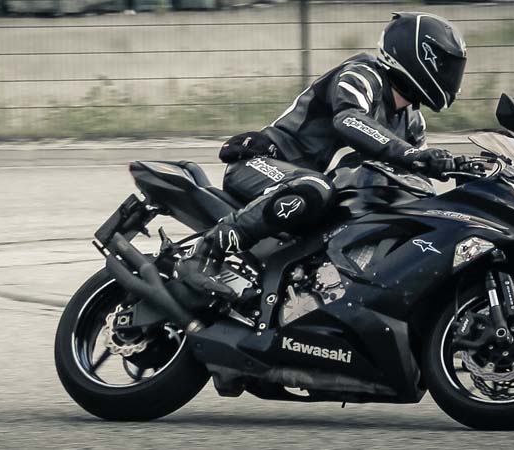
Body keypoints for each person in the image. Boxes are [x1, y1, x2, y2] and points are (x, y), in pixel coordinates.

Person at [176, 12, 468, 300]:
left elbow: (412, 178)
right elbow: (350, 120)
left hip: (312, 193)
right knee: (315, 188)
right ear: (413, 54)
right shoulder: (362, 75)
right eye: (444, 64)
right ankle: (204, 253)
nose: (451, 75)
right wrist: (414, 155)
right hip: (261, 165)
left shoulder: (411, 121)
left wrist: (457, 172)